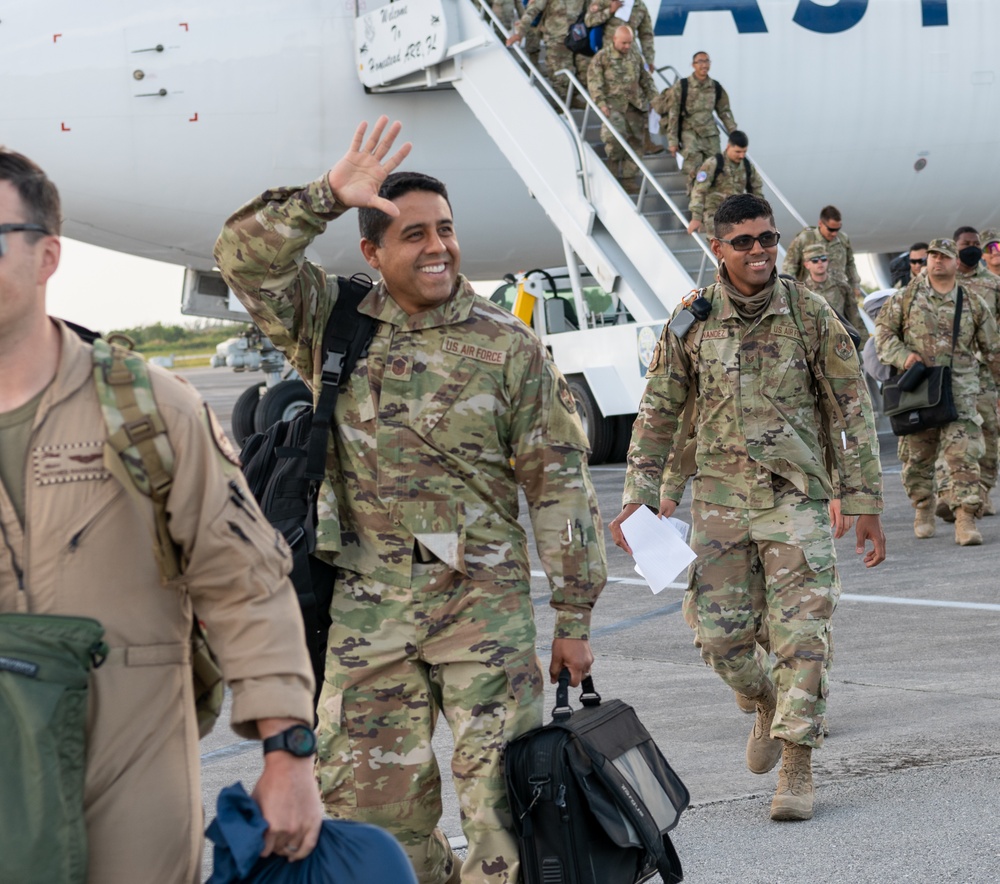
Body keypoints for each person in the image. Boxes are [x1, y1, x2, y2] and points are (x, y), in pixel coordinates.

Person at [214, 117, 607, 884]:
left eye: (446, 230)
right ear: (372, 252)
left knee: (506, 817)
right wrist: (325, 196)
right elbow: (243, 259)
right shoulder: (330, 323)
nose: (437, 247)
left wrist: (576, 616)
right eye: (413, 234)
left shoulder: (507, 345)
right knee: (370, 814)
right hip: (368, 612)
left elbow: (557, 482)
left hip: (482, 612)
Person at [0, 148, 323, 882]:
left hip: (127, 789)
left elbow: (245, 580)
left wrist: (287, 751)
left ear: (48, 255)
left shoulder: (149, 411)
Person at [610, 193, 885, 822]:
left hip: (795, 497)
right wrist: (638, 499)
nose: (758, 250)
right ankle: (762, 699)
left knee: (804, 634)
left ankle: (796, 761)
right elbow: (657, 414)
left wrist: (864, 499)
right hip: (720, 500)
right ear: (719, 248)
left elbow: (851, 407)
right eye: (744, 242)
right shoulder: (691, 320)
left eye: (766, 238)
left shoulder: (810, 314)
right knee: (720, 638)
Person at [875, 238, 1000, 545]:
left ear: (956, 263)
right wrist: (902, 355)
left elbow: (993, 349)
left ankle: (965, 519)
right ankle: (923, 508)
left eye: (944, 256)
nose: (937, 261)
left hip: (960, 391)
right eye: (932, 256)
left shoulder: (971, 301)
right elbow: (883, 333)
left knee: (964, 456)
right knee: (918, 457)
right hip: (919, 391)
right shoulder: (905, 298)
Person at [936, 226, 1000, 519]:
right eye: (966, 244)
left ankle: (982, 494)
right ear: (955, 246)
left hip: (985, 373)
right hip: (952, 373)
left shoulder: (993, 284)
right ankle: (948, 494)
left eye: (977, 244)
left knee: (987, 433)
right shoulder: (943, 280)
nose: (972, 248)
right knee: (950, 435)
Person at [588, 25, 658, 195]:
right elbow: (594, 82)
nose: (627, 46)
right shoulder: (602, 58)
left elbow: (645, 80)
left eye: (630, 43)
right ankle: (612, 174)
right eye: (624, 43)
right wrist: (601, 103)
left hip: (635, 106)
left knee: (636, 144)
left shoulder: (635, 55)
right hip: (613, 106)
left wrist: (655, 99)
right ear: (614, 39)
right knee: (614, 138)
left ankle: (628, 179)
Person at [661, 51, 738, 194]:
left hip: (710, 135)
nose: (704, 65)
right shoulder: (682, 85)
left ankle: (711, 203)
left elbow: (724, 111)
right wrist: (672, 141)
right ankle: (694, 202)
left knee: (716, 168)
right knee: (693, 169)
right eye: (700, 62)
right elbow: (674, 114)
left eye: (707, 61)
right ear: (693, 65)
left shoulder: (715, 87)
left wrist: (733, 131)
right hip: (690, 133)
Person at [507, 0, 588, 104]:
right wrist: (520, 32)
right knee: (560, 76)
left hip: (577, 37)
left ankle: (571, 99)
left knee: (584, 72)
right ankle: (561, 105)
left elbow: (589, 11)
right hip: (556, 38)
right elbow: (533, 9)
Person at [686, 129, 762, 235]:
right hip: (715, 214)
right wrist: (696, 218)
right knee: (719, 243)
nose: (742, 156)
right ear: (728, 147)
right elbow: (699, 190)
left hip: (736, 215)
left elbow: (756, 190)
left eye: (744, 152)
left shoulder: (747, 166)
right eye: (738, 152)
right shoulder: (713, 164)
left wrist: (759, 214)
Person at [783, 205, 863, 302]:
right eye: (831, 229)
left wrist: (855, 285)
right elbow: (790, 265)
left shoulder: (843, 239)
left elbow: (850, 264)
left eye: (837, 229)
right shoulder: (805, 239)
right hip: (811, 297)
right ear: (820, 223)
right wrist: (792, 291)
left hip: (837, 297)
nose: (834, 233)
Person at [800, 242, 868, 346]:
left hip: (842, 342)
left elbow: (854, 316)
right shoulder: (802, 290)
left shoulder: (841, 286)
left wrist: (861, 345)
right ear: (807, 264)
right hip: (815, 346)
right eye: (814, 260)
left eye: (823, 259)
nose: (820, 262)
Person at [585, 0, 655, 69]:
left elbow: (646, 35)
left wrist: (649, 60)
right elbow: (589, 21)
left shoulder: (640, 6)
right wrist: (610, 10)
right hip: (608, 56)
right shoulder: (604, 1)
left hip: (630, 59)